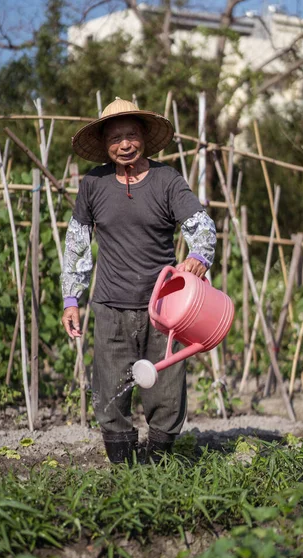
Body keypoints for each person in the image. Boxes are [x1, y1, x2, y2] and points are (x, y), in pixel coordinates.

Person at [61, 97, 216, 464]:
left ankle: (158, 465)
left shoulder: (166, 180)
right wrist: (72, 299)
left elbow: (201, 226)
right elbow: (77, 244)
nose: (125, 144)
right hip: (112, 305)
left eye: (131, 134)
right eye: (115, 138)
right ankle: (124, 470)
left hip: (165, 307)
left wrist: (198, 255)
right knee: (110, 390)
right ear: (104, 145)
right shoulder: (94, 184)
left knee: (165, 390)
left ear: (144, 137)